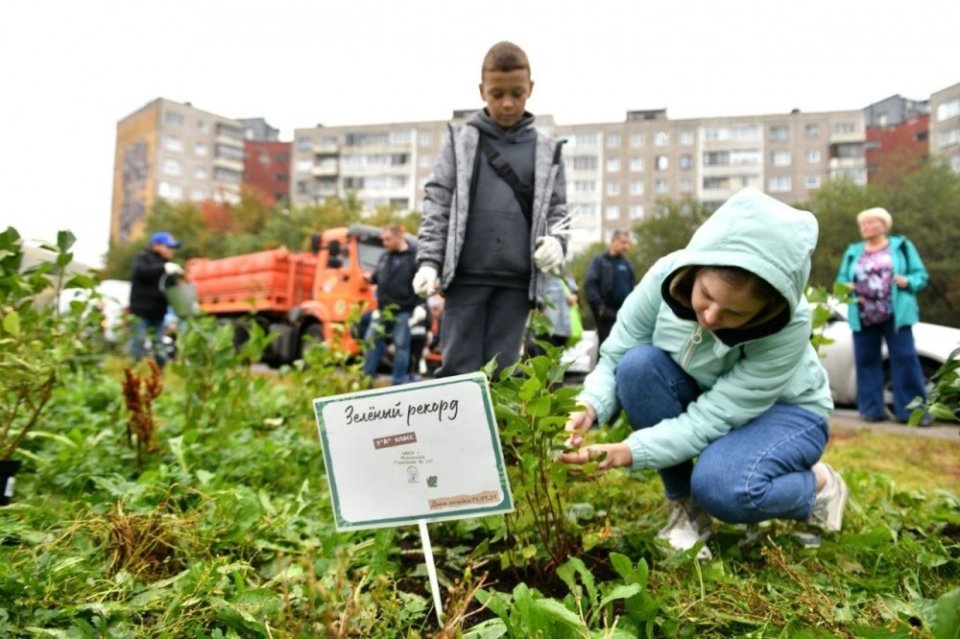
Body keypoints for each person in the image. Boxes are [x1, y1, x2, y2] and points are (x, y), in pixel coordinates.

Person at [559, 187, 847, 560]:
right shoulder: (667, 274)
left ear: (766, 311)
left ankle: (820, 486)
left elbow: (709, 418)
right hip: (705, 390)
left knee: (724, 488)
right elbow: (616, 356)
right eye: (706, 296)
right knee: (637, 368)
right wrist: (587, 405)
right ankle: (687, 511)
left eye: (734, 314)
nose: (710, 318)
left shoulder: (787, 326)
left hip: (788, 412)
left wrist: (627, 452)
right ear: (697, 269)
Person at [413, 40, 568, 377]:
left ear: (531, 89)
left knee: (503, 377)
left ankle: (497, 432)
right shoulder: (461, 140)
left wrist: (558, 241)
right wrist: (428, 261)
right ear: (482, 91)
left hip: (516, 282)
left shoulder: (547, 150)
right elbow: (437, 200)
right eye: (497, 94)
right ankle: (455, 433)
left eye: (517, 92)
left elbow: (559, 210)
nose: (508, 103)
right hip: (464, 279)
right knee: (458, 374)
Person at [835, 207, 932, 425]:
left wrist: (909, 282)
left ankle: (914, 414)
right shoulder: (853, 251)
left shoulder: (901, 246)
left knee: (906, 360)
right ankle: (871, 411)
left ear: (883, 224)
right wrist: (846, 288)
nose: (866, 227)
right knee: (866, 362)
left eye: (870, 223)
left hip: (896, 314)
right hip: (863, 315)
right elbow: (840, 282)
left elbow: (921, 275)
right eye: (862, 224)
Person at [363, 224, 420, 385]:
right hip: (382, 309)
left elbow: (419, 285)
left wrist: (420, 307)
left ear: (398, 237)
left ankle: (398, 381)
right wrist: (371, 278)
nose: (384, 243)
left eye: (387, 239)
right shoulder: (384, 257)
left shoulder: (413, 258)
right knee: (371, 340)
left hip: (404, 310)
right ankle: (367, 378)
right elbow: (377, 276)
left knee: (401, 345)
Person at [129, 231, 183, 367]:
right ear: (156, 246)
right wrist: (163, 268)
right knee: (139, 340)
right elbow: (140, 271)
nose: (171, 251)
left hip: (158, 312)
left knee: (159, 343)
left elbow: (171, 290)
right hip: (141, 311)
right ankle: (133, 370)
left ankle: (159, 372)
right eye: (168, 247)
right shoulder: (143, 258)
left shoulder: (168, 267)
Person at [584, 230, 635, 345]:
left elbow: (632, 287)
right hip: (606, 315)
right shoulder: (600, 261)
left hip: (624, 315)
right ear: (613, 241)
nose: (626, 247)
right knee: (606, 348)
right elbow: (590, 284)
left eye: (628, 243)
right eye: (623, 242)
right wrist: (599, 308)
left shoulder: (627, 263)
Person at [528, 274, 579, 356]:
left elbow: (575, 292)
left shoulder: (564, 276)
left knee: (555, 359)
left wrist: (574, 296)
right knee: (542, 355)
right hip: (544, 327)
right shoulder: (540, 275)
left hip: (562, 328)